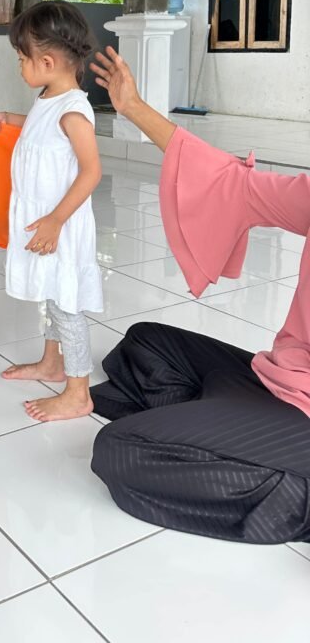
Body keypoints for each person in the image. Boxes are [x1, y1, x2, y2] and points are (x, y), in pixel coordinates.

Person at [88, 46, 310, 544]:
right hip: (282, 380)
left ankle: (291, 487)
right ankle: (211, 425)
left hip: (303, 419)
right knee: (144, 343)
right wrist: (134, 108)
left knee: (120, 449)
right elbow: (235, 183)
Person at [0, 1, 103, 421]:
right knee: (52, 297)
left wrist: (55, 220)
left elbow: (91, 172)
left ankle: (78, 391)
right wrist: (8, 118)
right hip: (46, 221)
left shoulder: (73, 110)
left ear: (47, 61)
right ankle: (53, 363)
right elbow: (39, 126)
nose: (20, 67)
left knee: (66, 304)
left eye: (22, 59)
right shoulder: (49, 97)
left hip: (62, 225)